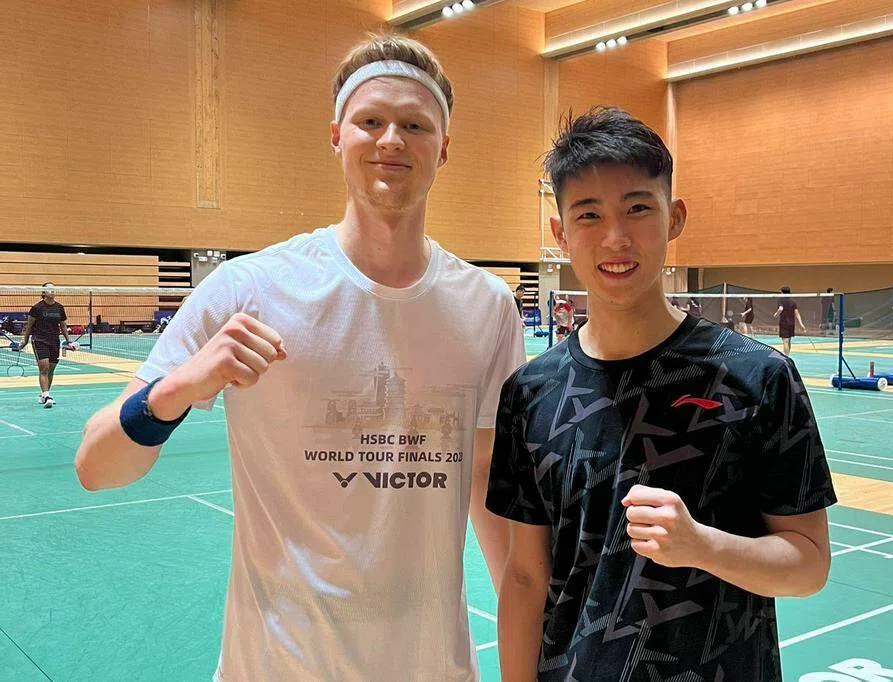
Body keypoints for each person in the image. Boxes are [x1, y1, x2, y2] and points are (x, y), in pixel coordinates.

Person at [74, 34, 525, 681]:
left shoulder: (487, 306)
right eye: (370, 121)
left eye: (415, 125)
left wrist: (531, 642)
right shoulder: (248, 289)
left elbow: (483, 476)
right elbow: (96, 467)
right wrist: (175, 389)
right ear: (337, 136)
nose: (392, 140)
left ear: (443, 148)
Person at [487, 107, 835, 682]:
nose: (615, 238)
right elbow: (525, 577)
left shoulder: (757, 378)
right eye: (589, 214)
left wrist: (702, 546)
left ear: (674, 218)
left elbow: (809, 564)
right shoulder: (530, 393)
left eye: (637, 208)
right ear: (560, 233)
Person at [14, 282, 77, 408]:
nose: (52, 291)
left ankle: (44, 395)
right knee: (44, 369)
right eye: (49, 289)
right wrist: (25, 340)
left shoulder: (59, 308)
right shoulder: (37, 308)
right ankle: (47, 395)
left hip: (54, 341)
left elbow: (63, 326)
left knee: (51, 370)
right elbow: (29, 326)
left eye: (53, 289)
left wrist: (69, 341)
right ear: (43, 292)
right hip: (39, 340)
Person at [773, 286, 805, 356]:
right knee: (789, 341)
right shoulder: (793, 302)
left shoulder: (781, 300)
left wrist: (776, 314)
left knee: (785, 341)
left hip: (784, 323)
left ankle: (786, 357)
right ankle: (788, 355)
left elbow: (780, 309)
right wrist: (801, 324)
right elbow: (797, 313)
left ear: (782, 292)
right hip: (791, 323)